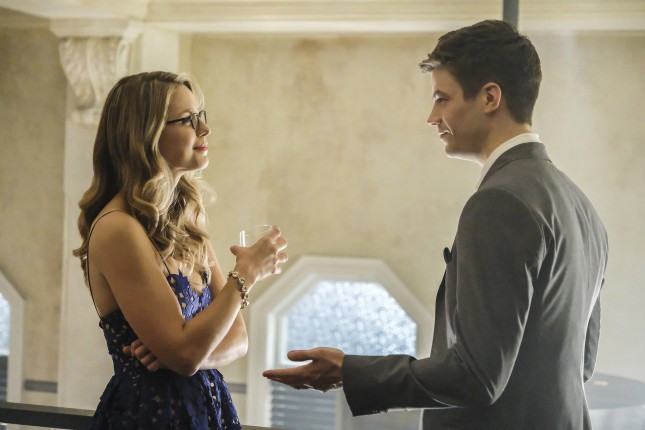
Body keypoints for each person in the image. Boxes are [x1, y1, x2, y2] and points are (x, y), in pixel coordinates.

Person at [263, 20, 608, 429]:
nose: (432, 117)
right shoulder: (583, 208)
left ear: (490, 97)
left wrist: (351, 371)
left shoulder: (499, 202)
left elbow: (477, 376)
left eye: (442, 98)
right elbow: (581, 365)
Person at [73, 71, 288, 429]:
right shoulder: (117, 228)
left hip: (206, 411)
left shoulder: (188, 221)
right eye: (188, 120)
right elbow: (186, 355)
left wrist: (182, 353)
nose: (205, 129)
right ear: (145, 134)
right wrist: (246, 275)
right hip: (150, 417)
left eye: (201, 115)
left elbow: (238, 340)